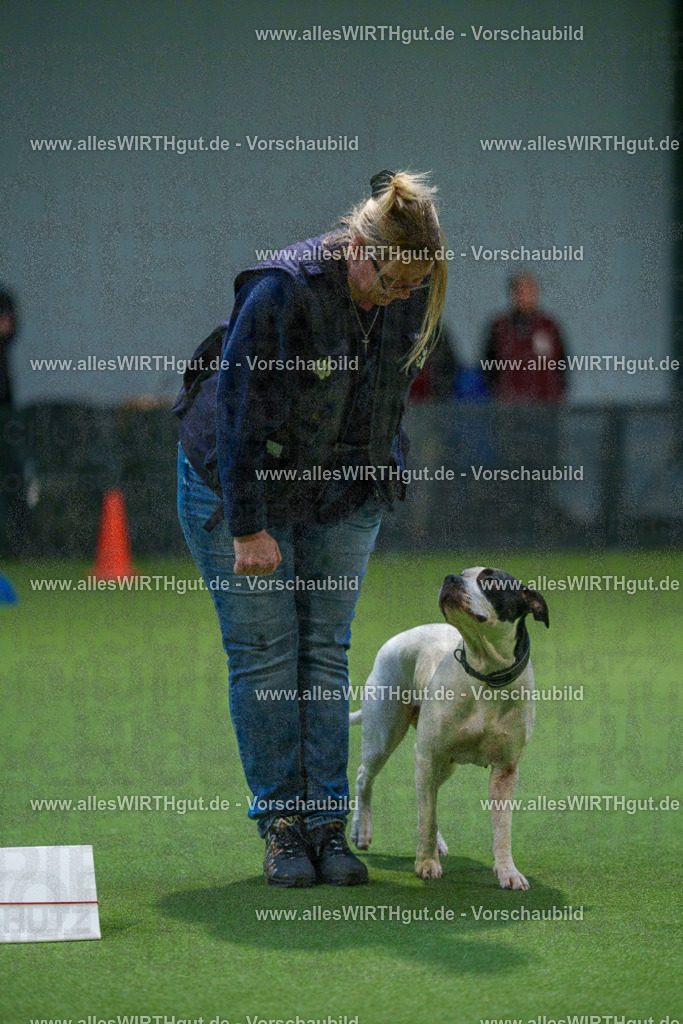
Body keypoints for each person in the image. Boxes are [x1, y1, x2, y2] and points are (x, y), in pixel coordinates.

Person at [173, 170, 447, 887]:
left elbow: (381, 401)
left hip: (341, 488)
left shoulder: (406, 293)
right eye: (388, 281)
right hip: (239, 483)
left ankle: (327, 823)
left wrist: (374, 480)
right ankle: (283, 827)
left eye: (411, 288)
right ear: (358, 247)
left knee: (323, 652)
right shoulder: (282, 291)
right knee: (267, 657)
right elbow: (237, 416)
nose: (398, 297)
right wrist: (247, 529)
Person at [481, 271, 568, 403]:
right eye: (521, 292)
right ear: (512, 294)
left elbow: (563, 364)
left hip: (546, 404)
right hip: (510, 405)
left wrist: (557, 393)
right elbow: (487, 364)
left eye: (530, 291)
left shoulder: (549, 326)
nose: (525, 297)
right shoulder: (499, 327)